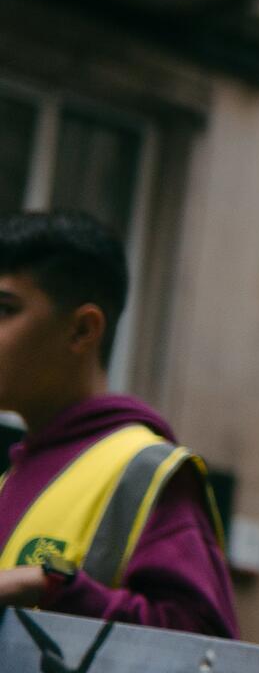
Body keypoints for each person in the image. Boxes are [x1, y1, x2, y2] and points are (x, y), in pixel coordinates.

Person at [0, 210, 235, 635]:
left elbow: (203, 655)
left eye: (5, 308)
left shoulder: (147, 470)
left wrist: (51, 587)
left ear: (82, 331)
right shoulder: (13, 472)